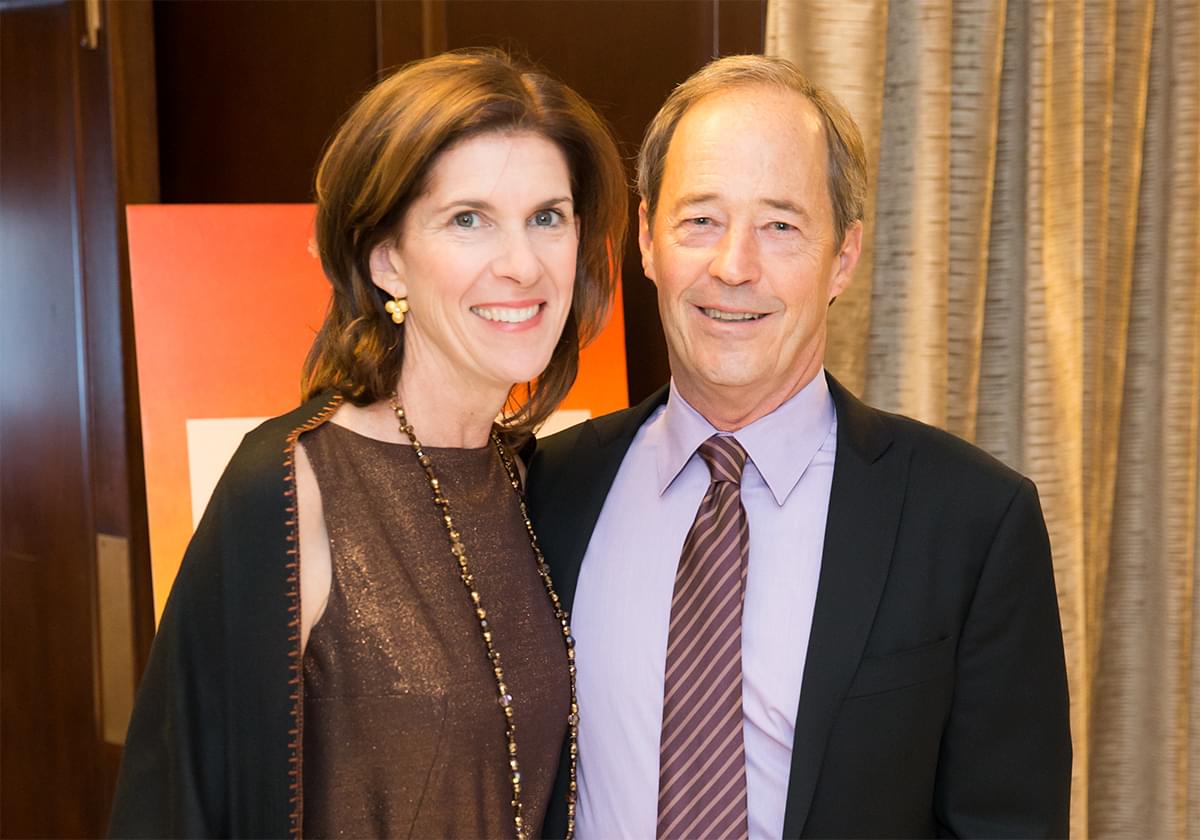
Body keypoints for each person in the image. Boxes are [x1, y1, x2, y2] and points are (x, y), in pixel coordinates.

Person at [528, 54, 1071, 839]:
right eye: (700, 220)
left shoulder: (972, 521)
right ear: (645, 239)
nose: (734, 267)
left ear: (842, 257)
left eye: (780, 226)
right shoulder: (544, 488)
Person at [109, 49, 626, 839]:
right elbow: (177, 807)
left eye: (547, 217)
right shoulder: (293, 483)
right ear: (388, 260)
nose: (523, 265)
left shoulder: (533, 482)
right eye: (469, 219)